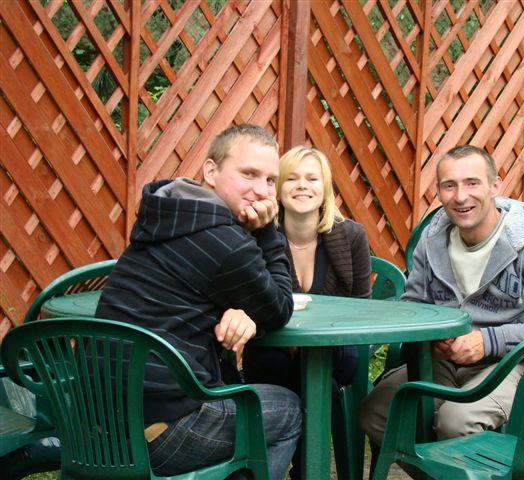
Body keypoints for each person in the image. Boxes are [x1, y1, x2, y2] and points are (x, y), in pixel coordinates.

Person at [95, 124, 302, 479]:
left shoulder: (168, 214)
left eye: (271, 180)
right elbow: (280, 307)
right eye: (249, 174)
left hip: (97, 422)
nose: (262, 191)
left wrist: (241, 310)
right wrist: (268, 230)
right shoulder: (225, 243)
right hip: (160, 432)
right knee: (288, 410)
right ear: (210, 171)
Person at [358, 145, 524, 449]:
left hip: (520, 365)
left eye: (472, 183)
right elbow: (413, 304)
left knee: (456, 422)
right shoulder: (432, 239)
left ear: (495, 185)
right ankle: (440, 467)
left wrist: (489, 341)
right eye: (449, 185)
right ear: (438, 192)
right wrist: (431, 337)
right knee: (376, 412)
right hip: (446, 362)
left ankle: (465, 463)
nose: (461, 196)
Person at [242, 145, 371, 478]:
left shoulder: (352, 236)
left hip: (335, 348)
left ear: (325, 188)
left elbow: (363, 308)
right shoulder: (257, 238)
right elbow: (248, 303)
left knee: (320, 372)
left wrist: (316, 341)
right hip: (273, 347)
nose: (302, 185)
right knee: (313, 383)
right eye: (292, 178)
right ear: (278, 189)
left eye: (312, 179)